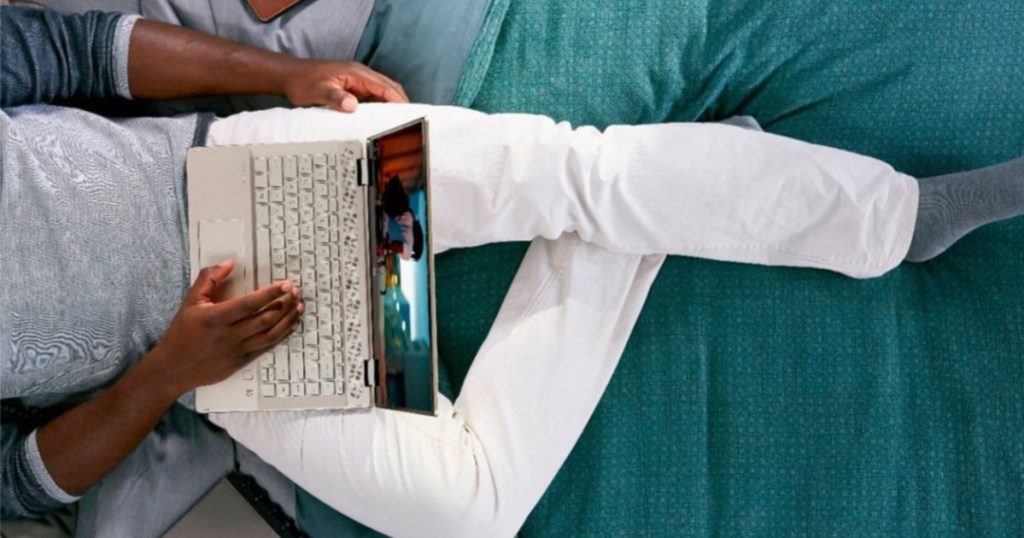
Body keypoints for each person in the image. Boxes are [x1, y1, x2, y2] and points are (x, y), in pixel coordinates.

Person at [2, 6, 1022, 537]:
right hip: (224, 359)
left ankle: (896, 218)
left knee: (571, 170)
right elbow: (29, 477)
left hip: (254, 178)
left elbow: (81, 51)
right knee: (468, 507)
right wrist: (170, 371)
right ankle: (673, 196)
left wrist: (282, 74)